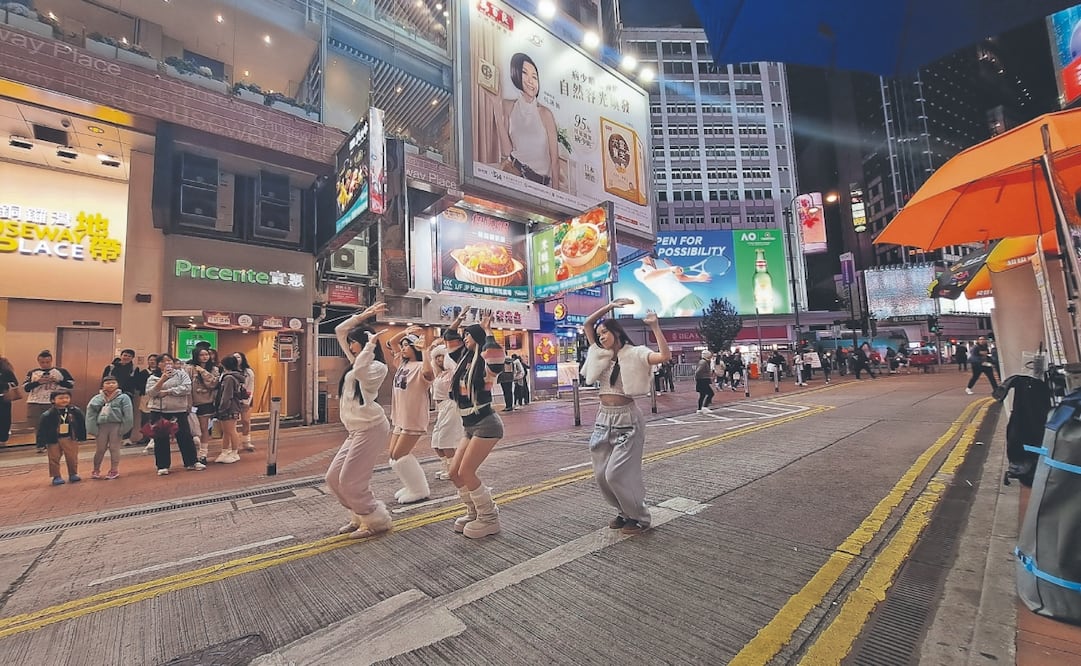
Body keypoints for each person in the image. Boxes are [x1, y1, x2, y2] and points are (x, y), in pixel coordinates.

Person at [582, 298, 671, 535]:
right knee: (602, 476)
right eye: (599, 334)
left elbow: (664, 356)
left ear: (616, 332)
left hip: (628, 421)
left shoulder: (635, 353)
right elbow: (587, 324)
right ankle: (623, 513)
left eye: (605, 332)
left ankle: (640, 516)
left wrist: (654, 326)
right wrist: (609, 307)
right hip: (603, 420)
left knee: (616, 473)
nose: (600, 337)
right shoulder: (599, 354)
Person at [327, 303, 394, 539]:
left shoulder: (376, 367)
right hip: (356, 430)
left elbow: (363, 373)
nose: (351, 345)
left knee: (351, 480)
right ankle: (358, 515)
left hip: (371, 428)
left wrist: (369, 347)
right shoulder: (357, 362)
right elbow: (339, 331)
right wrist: (360, 318)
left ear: (364, 344)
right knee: (333, 478)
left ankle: (375, 521)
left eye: (355, 342)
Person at [447, 315, 507, 539]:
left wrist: (488, 330)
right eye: (464, 336)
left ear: (477, 338)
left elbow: (497, 360)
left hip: (486, 425)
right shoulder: (464, 360)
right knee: (454, 473)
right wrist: (457, 323)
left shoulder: (485, 364)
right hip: (469, 426)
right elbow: (450, 337)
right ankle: (473, 512)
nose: (464, 338)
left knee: (466, 472)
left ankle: (489, 517)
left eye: (468, 335)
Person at [497, 52, 560, 190]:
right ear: (516, 74)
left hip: (540, 183)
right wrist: (497, 112)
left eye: (535, 77)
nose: (531, 81)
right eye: (525, 73)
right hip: (514, 173)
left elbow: (554, 160)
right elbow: (507, 150)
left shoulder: (545, 114)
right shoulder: (508, 106)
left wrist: (557, 196)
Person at [385, 327, 433, 504]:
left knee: (399, 455)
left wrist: (425, 350)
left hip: (413, 417)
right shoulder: (402, 364)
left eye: (407, 345)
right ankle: (411, 485)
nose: (403, 348)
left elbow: (429, 374)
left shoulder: (422, 366)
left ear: (415, 348)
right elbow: (392, 343)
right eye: (403, 346)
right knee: (392, 455)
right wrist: (406, 331)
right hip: (400, 417)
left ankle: (419, 489)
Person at [145, 353, 203, 475]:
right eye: (163, 362)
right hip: (159, 411)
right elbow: (151, 392)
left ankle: (191, 461)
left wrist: (168, 391)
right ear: (159, 364)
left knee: (185, 436)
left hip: (178, 411)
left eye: (169, 361)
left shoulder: (181, 374)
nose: (167, 364)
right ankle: (162, 465)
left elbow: (186, 388)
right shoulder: (153, 377)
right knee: (161, 439)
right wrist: (162, 379)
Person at [425, 340, 464, 481]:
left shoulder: (452, 373)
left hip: (451, 407)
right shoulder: (439, 374)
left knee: (445, 441)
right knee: (436, 442)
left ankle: (453, 469)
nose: (439, 359)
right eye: (436, 357)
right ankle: (447, 467)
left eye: (442, 356)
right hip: (441, 409)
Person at [24, 350, 75, 453]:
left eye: (47, 362)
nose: (45, 365)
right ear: (38, 362)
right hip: (35, 402)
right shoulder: (33, 373)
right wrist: (38, 382)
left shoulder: (61, 371)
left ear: (51, 360)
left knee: (55, 424)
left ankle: (54, 443)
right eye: (42, 362)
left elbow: (71, 384)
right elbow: (25, 388)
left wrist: (58, 381)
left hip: (54, 402)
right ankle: (40, 445)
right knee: (38, 425)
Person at [86, 376, 133, 480]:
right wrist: (92, 428)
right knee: (100, 449)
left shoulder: (124, 397)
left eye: (113, 383)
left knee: (114, 448)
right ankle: (96, 469)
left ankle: (114, 470)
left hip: (116, 426)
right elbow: (91, 413)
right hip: (101, 426)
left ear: (117, 385)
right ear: (103, 385)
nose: (110, 385)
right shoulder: (97, 398)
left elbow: (128, 414)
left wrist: (124, 428)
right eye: (107, 383)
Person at [36, 390, 85, 485]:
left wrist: (82, 436)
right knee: (54, 458)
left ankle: (73, 474)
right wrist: (41, 443)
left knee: (72, 457)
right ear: (52, 400)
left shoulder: (75, 411)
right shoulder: (48, 414)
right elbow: (41, 429)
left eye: (67, 398)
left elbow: (81, 424)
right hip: (53, 439)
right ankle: (56, 476)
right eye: (61, 398)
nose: (64, 400)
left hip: (70, 438)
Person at [185, 348, 221, 465]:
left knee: (204, 428)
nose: (205, 357)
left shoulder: (214, 369)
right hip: (192, 402)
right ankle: (194, 452)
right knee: (193, 429)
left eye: (207, 354)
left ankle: (203, 453)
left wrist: (203, 372)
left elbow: (214, 383)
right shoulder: (189, 369)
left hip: (206, 401)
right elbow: (187, 386)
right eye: (201, 355)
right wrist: (188, 403)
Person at [103, 349, 139, 447]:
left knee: (127, 417)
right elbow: (104, 380)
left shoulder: (134, 368)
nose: (126, 357)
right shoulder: (111, 367)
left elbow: (135, 382)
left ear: (132, 358)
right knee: (111, 417)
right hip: (111, 395)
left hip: (127, 396)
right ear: (121, 355)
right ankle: (110, 439)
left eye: (129, 356)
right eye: (125, 355)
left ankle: (126, 438)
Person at [215, 356, 247, 464]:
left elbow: (226, 395)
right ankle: (225, 451)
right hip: (232, 406)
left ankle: (234, 452)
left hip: (229, 407)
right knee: (226, 431)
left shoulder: (229, 378)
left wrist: (222, 407)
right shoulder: (234, 376)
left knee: (231, 430)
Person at [233, 352, 256, 452]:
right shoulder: (230, 371)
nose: (236, 359)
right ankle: (232, 444)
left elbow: (250, 386)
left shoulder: (248, 372)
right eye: (234, 357)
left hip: (246, 398)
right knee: (232, 423)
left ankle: (246, 442)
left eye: (238, 357)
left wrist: (247, 401)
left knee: (246, 421)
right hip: (233, 399)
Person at [0, 356, 18, 443]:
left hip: (3, 398)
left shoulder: (5, 370)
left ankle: (3, 439)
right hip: (4, 399)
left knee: (4, 420)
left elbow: (14, 383)